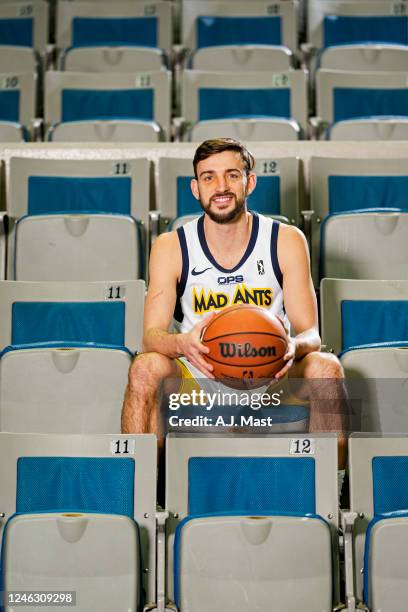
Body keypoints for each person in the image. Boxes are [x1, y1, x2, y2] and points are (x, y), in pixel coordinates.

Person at [121, 138, 348, 467]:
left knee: (327, 369)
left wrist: (291, 348)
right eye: (209, 177)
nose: (221, 186)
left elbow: (311, 333)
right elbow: (151, 337)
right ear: (195, 188)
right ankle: (143, 490)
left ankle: (335, 490)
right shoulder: (172, 245)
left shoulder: (285, 240)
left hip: (271, 371)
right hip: (200, 373)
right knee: (145, 368)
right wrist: (184, 343)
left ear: (249, 182)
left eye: (231, 175)